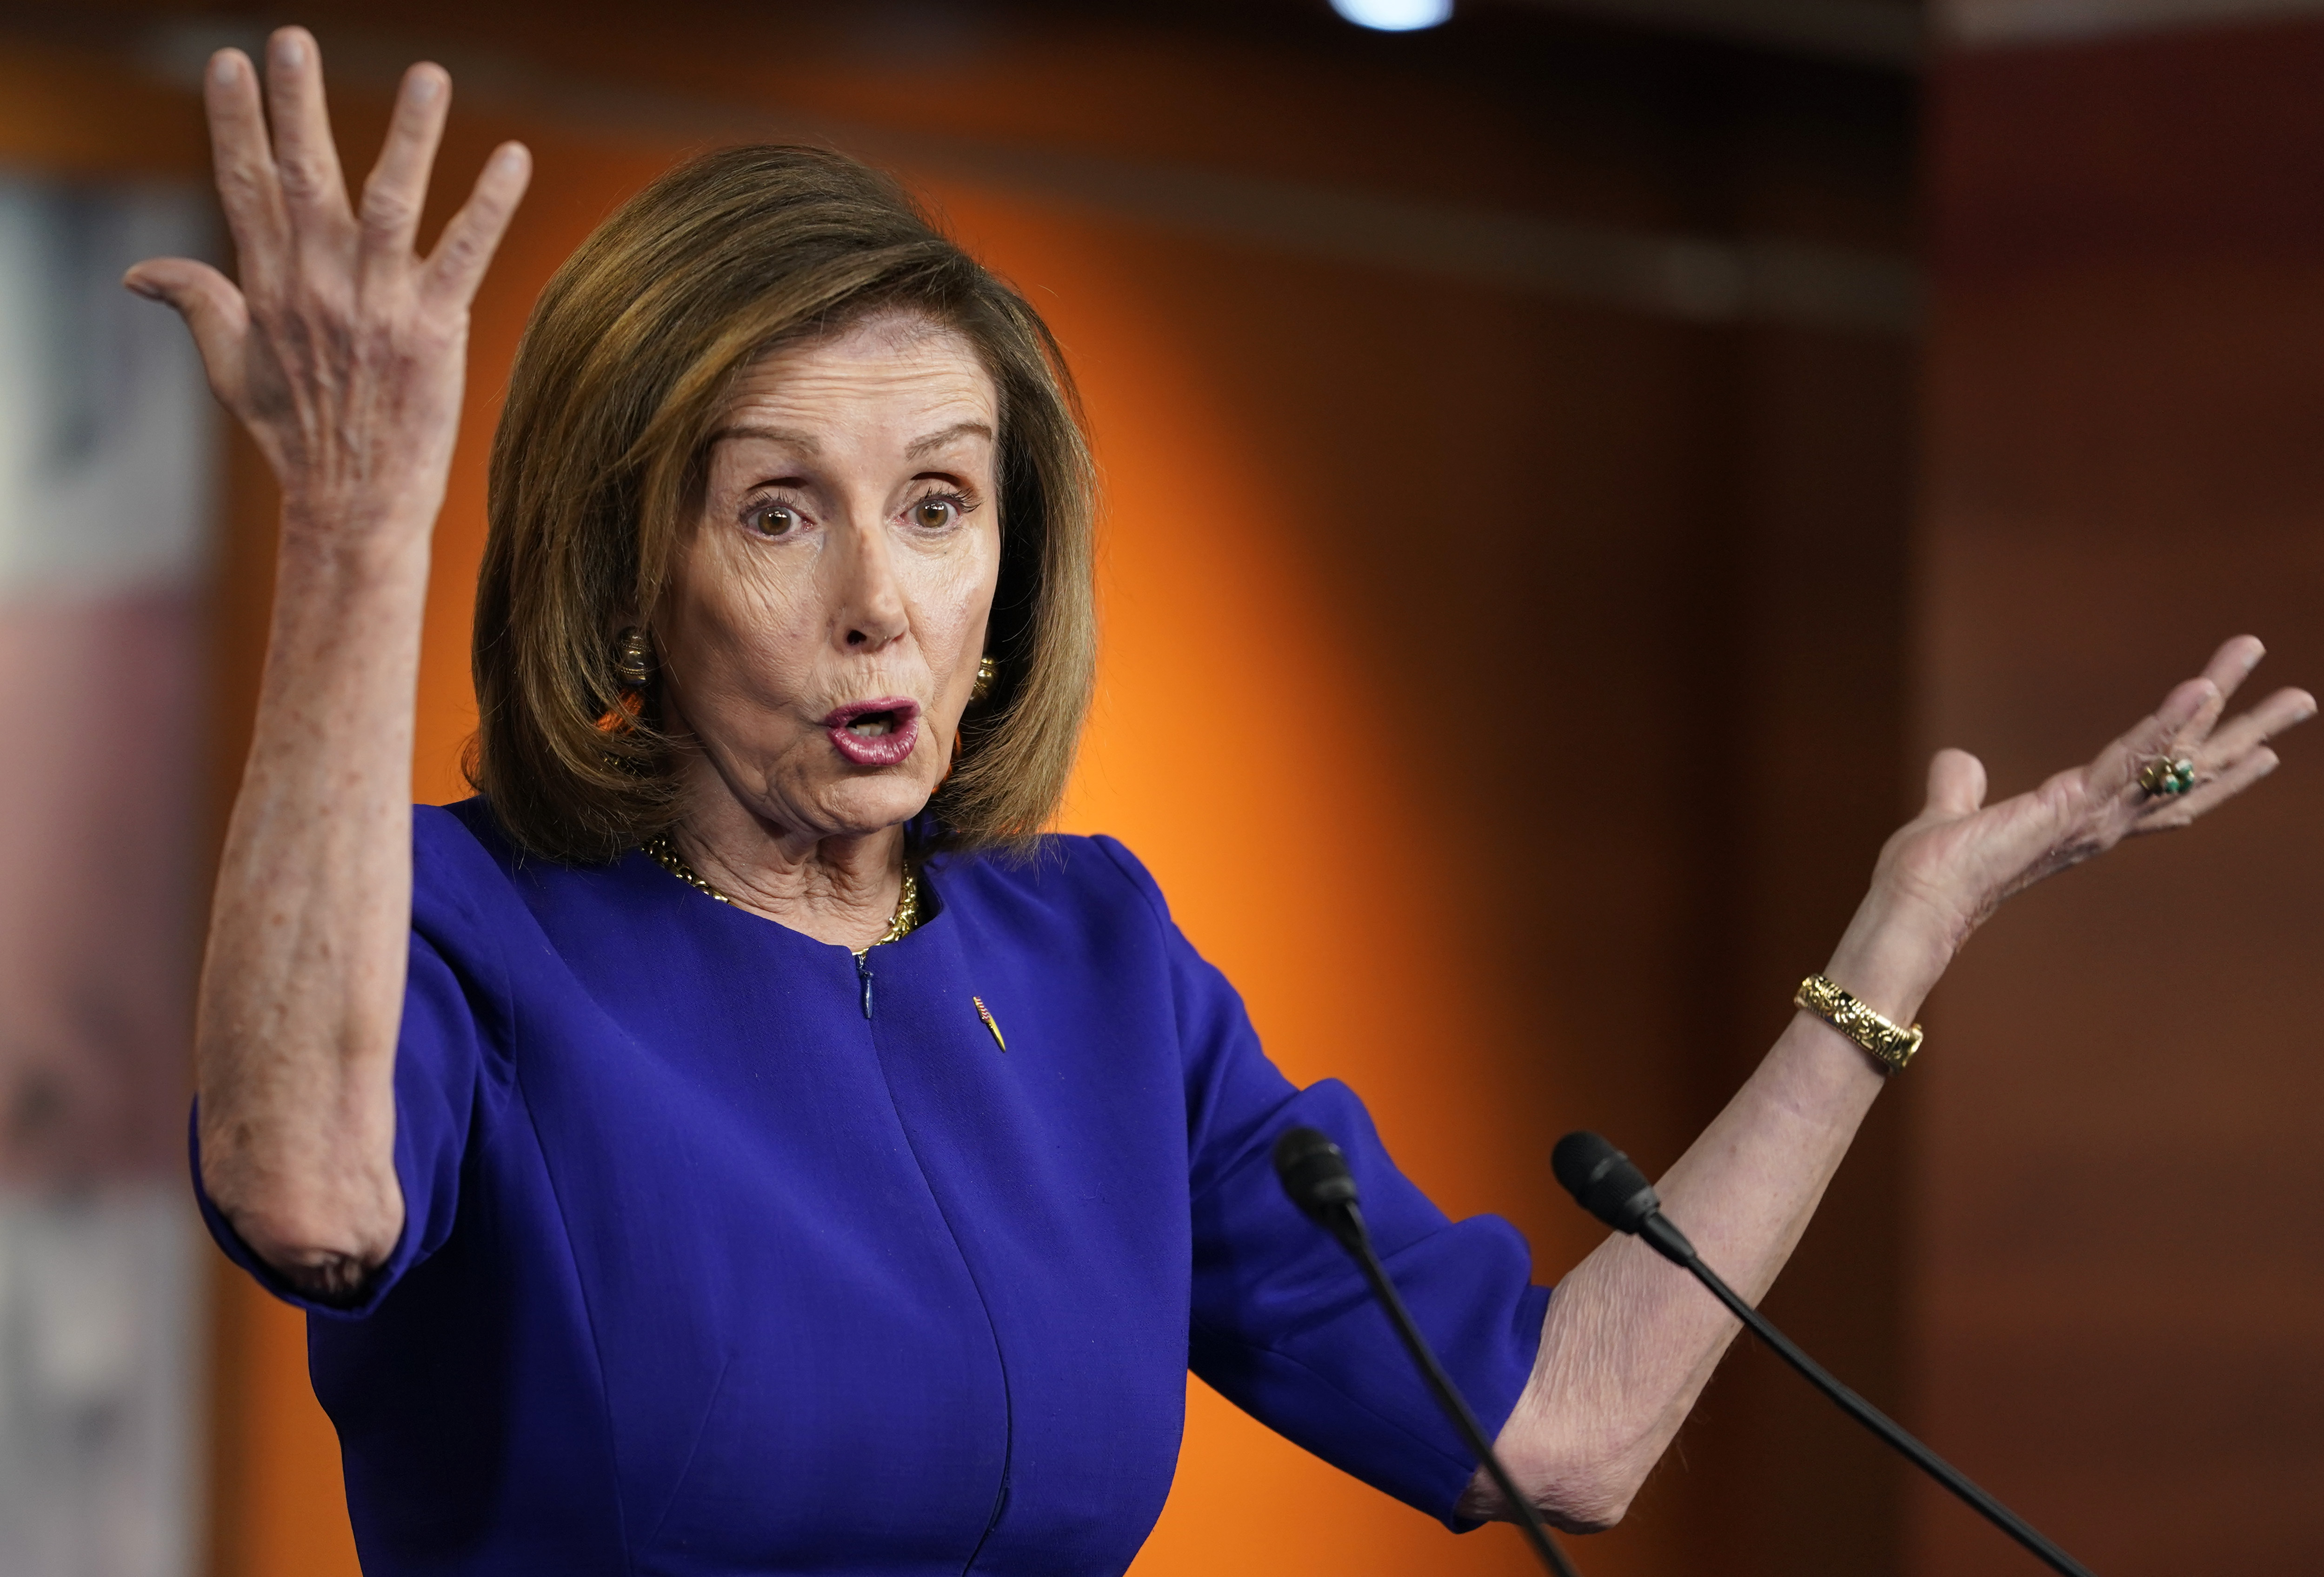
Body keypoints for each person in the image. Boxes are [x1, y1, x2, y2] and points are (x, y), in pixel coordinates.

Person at [127, 29, 2314, 1577]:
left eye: (942, 508)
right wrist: (355, 518)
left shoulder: (1097, 969)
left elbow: (1562, 1427)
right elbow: (308, 1186)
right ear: (630, 572)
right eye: (779, 514)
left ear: (1015, 567)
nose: (883, 604)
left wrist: (1888, 952)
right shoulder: (472, 931)